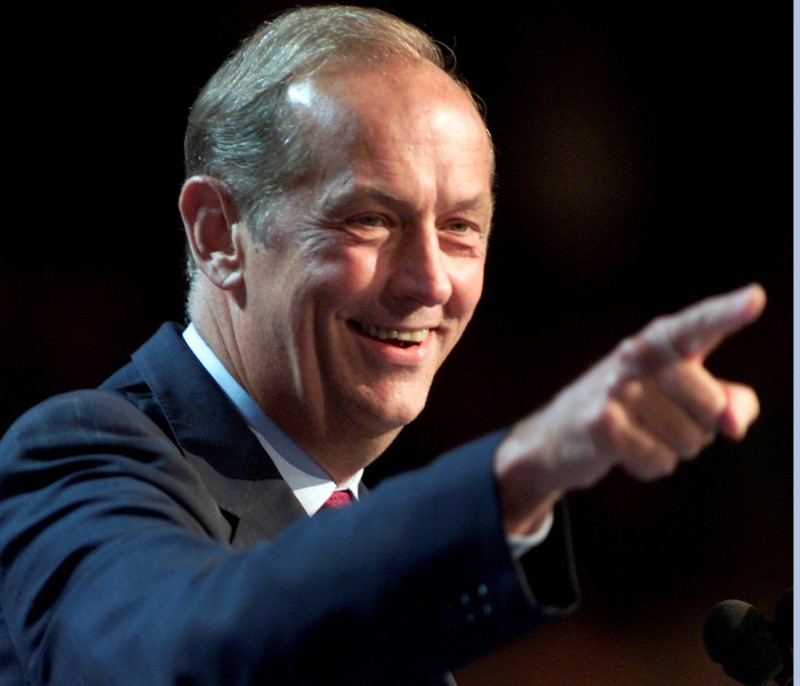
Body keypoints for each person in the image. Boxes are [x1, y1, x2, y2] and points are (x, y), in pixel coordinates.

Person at [0, 5, 766, 686]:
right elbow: (176, 656)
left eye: (461, 228)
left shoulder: (358, 545)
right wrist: (516, 472)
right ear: (217, 234)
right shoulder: (80, 455)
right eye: (370, 218)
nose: (430, 282)